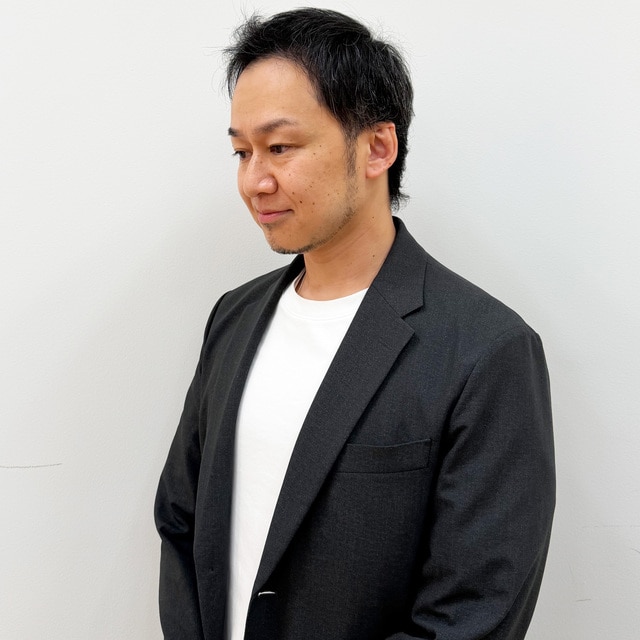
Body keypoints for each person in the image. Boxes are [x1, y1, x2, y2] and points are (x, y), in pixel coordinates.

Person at [154, 8, 555, 640]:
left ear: (377, 148)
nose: (255, 181)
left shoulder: (485, 350)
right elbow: (181, 521)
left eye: (280, 147)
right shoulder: (234, 316)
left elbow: (473, 612)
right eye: (241, 151)